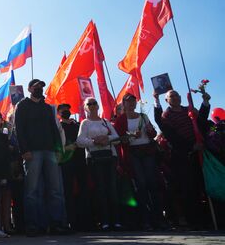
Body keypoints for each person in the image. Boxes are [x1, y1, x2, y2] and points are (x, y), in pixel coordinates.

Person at [14, 79, 67, 236]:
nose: (39, 89)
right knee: (32, 190)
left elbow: (54, 129)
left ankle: (56, 223)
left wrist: (58, 150)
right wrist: (24, 150)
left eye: (41, 87)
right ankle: (32, 225)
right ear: (30, 88)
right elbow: (19, 129)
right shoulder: (22, 106)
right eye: (36, 86)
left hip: (50, 151)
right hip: (32, 152)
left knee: (55, 190)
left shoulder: (47, 108)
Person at [153, 89, 211, 227]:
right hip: (183, 155)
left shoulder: (189, 110)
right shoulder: (167, 115)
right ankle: (194, 221)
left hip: (200, 152)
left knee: (203, 184)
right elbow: (170, 134)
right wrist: (191, 146)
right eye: (171, 97)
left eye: (176, 95)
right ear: (167, 100)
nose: (174, 98)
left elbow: (201, 122)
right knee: (189, 188)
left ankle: (210, 217)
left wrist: (205, 102)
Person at [113, 93, 163, 230]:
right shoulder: (121, 119)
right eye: (128, 102)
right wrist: (130, 135)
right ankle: (146, 220)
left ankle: (159, 219)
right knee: (141, 184)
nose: (131, 104)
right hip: (133, 153)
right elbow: (118, 139)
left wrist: (150, 130)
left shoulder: (143, 116)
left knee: (152, 183)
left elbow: (153, 134)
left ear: (135, 103)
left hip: (147, 151)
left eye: (133, 101)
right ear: (124, 103)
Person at [76, 97, 121, 231]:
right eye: (89, 104)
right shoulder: (85, 123)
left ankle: (117, 220)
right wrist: (94, 142)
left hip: (110, 156)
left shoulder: (105, 122)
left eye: (94, 103)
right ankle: (105, 220)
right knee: (100, 189)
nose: (92, 105)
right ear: (85, 108)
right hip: (94, 158)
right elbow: (79, 141)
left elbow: (117, 138)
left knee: (112, 188)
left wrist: (106, 138)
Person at [57, 103, 90, 231]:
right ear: (59, 112)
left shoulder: (77, 125)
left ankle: (86, 222)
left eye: (68, 109)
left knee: (84, 190)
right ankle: (72, 221)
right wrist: (66, 148)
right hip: (66, 161)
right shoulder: (58, 126)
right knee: (68, 191)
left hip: (80, 159)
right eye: (63, 110)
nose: (66, 111)